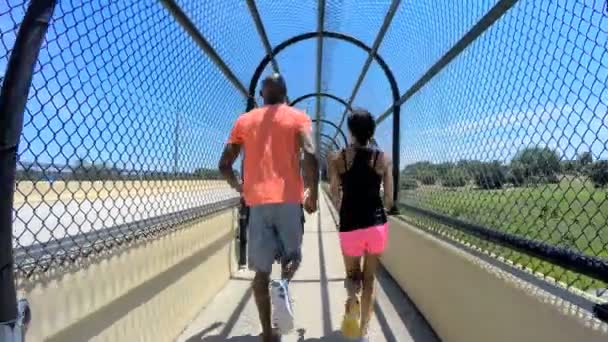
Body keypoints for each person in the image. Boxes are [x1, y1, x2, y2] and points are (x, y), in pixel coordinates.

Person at [218, 73, 319, 342]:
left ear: (262, 96)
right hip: (288, 200)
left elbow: (224, 165)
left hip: (257, 203)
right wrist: (313, 196)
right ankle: (283, 283)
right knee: (293, 257)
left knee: (260, 273)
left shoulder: (245, 120)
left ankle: (267, 335)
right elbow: (310, 155)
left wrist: (241, 187)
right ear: (286, 95)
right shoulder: (298, 117)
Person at [327, 109, 393, 342]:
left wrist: (342, 206)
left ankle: (351, 314)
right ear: (372, 131)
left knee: (352, 277)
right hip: (376, 226)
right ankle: (363, 333)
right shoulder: (383, 158)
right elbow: (389, 199)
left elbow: (334, 191)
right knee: (369, 280)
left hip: (350, 224)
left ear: (350, 131)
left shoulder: (337, 158)